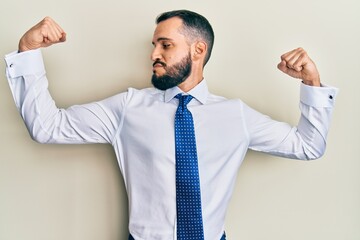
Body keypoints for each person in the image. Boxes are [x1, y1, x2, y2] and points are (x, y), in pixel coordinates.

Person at [5, 9, 337, 240]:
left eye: (165, 44)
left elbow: (308, 146)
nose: (154, 55)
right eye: (154, 45)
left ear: (198, 49)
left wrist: (311, 82)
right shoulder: (127, 108)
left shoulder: (236, 115)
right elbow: (46, 127)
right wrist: (29, 51)